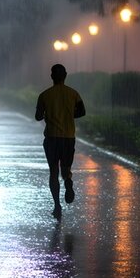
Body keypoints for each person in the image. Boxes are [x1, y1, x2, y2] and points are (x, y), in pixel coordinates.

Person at [35, 64, 86, 220]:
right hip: (68, 138)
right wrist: (69, 115)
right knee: (65, 169)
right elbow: (82, 112)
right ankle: (68, 181)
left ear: (52, 77)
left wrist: (47, 115)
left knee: (53, 171)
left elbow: (37, 116)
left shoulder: (44, 95)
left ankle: (57, 205)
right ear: (65, 76)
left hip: (51, 138)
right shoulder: (73, 94)